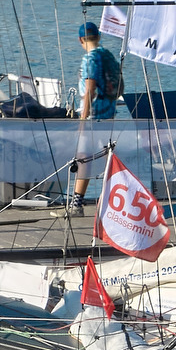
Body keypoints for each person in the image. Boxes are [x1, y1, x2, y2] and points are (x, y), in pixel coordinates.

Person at [68, 22, 122, 212]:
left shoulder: (90, 58)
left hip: (93, 117)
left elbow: (89, 89)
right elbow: (120, 86)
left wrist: (83, 119)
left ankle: (77, 205)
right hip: (109, 115)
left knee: (84, 158)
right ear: (98, 37)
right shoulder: (110, 57)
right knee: (106, 158)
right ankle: (111, 201)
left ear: (81, 39)